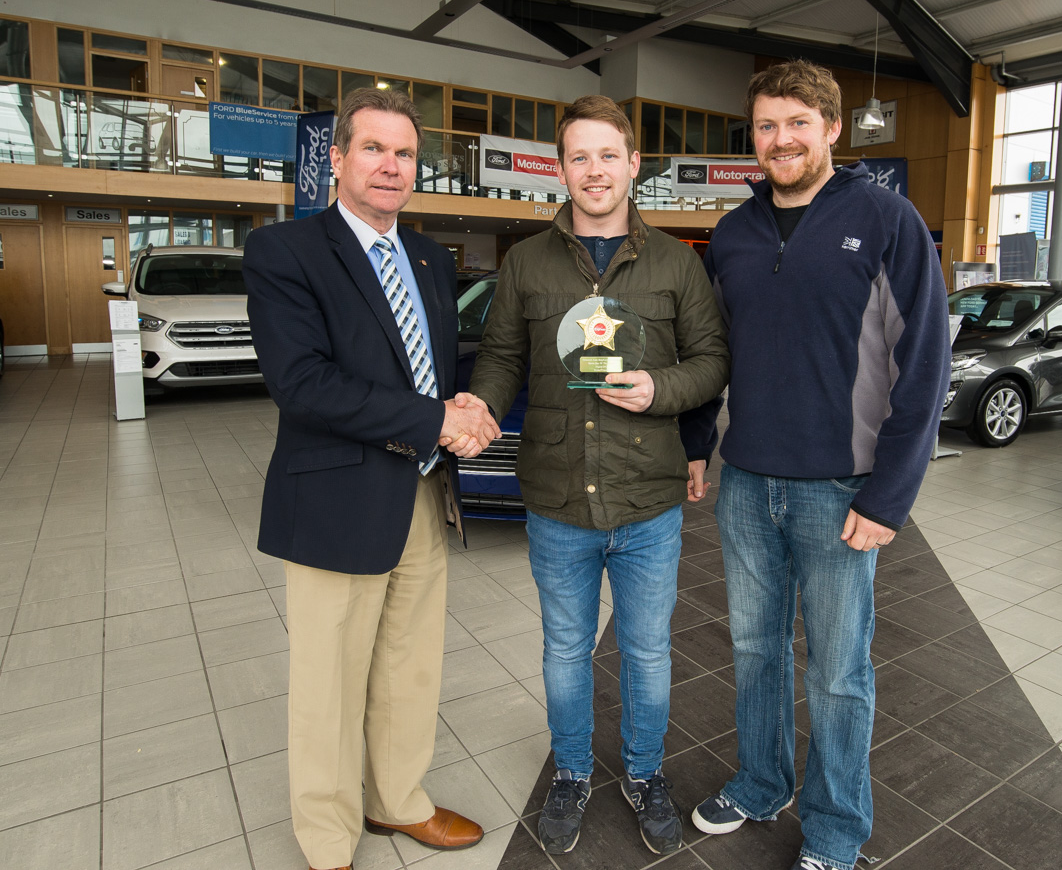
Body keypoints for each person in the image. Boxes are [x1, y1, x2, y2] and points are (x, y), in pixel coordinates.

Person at [687, 61, 951, 870]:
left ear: (832, 128)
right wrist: (698, 442)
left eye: (797, 123)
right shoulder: (731, 232)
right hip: (747, 484)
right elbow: (709, 351)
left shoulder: (886, 221)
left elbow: (925, 363)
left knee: (838, 673)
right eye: (765, 126)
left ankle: (836, 832)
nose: (781, 140)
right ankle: (763, 780)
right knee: (755, 650)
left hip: (841, 490)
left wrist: (889, 495)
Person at [243, 87, 498, 870]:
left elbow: (430, 366)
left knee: (409, 665)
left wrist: (462, 402)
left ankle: (397, 801)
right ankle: (326, 837)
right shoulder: (285, 251)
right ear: (340, 159)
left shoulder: (427, 255)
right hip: (336, 497)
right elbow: (303, 383)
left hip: (420, 493)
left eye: (405, 153)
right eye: (375, 149)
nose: (391, 166)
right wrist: (433, 422)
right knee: (329, 680)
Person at [468, 94, 729, 857]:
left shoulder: (678, 262)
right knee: (563, 650)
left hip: (647, 500)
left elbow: (711, 360)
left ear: (633, 163)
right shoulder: (525, 262)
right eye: (578, 156)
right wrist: (479, 408)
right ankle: (574, 772)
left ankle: (645, 772)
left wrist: (661, 390)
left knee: (647, 651)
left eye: (607, 155)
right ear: (560, 167)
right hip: (556, 499)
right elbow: (500, 360)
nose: (593, 170)